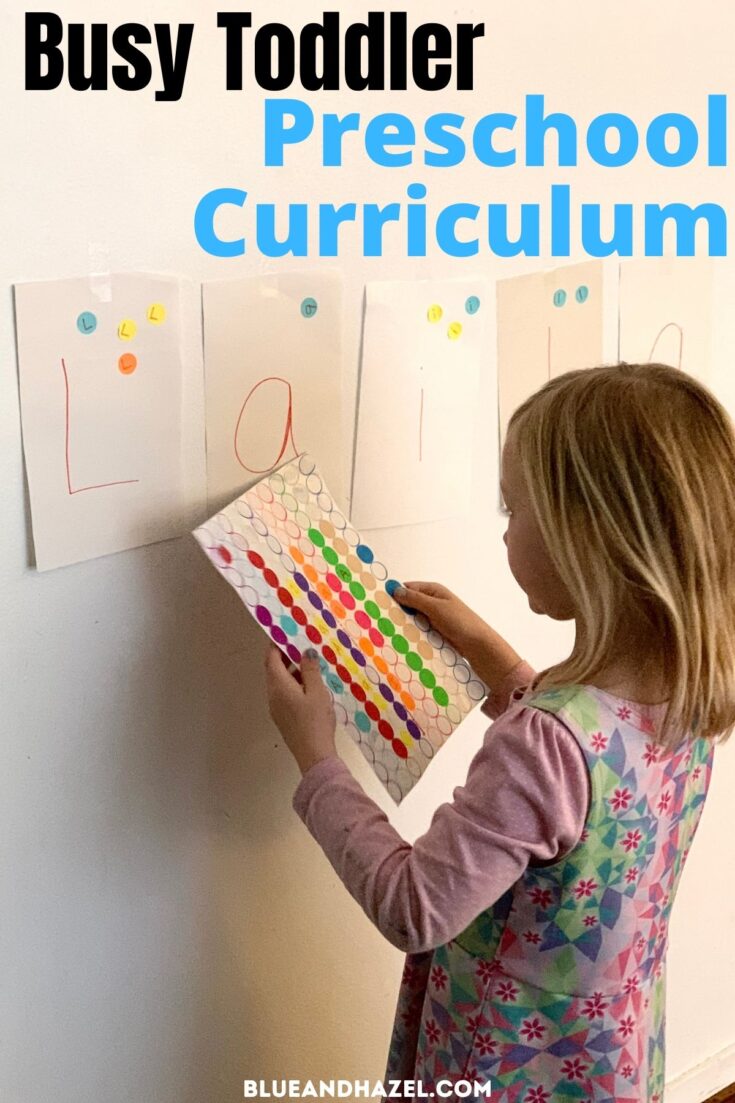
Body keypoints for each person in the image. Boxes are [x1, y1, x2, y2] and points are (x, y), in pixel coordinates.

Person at [264, 362, 735, 1101]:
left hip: (509, 1062)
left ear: (589, 540)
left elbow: (414, 905)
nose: (505, 531)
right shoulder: (688, 688)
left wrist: (317, 759)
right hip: (603, 1055)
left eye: (514, 510)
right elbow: (584, 790)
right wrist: (497, 663)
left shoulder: (541, 743)